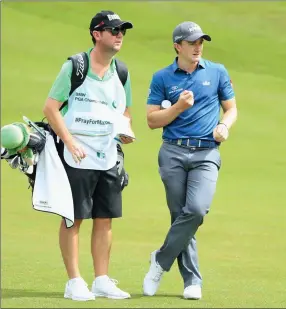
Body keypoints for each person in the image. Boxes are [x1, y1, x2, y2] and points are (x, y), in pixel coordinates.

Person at [42, 10, 135, 301]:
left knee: (105, 218)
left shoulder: (121, 72)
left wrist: (124, 131)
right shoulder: (76, 66)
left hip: (107, 154)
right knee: (74, 218)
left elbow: (125, 112)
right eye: (114, 30)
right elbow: (50, 108)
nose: (119, 35)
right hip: (76, 154)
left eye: (122, 30)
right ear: (97, 34)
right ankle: (74, 281)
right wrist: (69, 142)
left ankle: (102, 280)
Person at [143, 21, 238, 300]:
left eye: (201, 42)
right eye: (192, 42)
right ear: (178, 46)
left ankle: (160, 261)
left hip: (206, 152)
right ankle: (191, 281)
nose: (198, 47)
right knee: (179, 215)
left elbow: (231, 109)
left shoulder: (217, 71)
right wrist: (178, 107)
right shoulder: (162, 78)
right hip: (172, 151)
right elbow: (151, 120)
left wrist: (225, 126)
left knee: (195, 210)